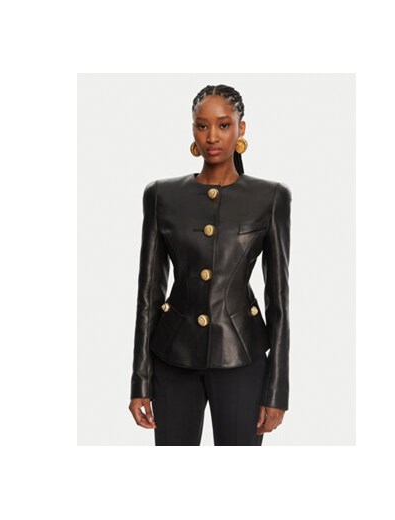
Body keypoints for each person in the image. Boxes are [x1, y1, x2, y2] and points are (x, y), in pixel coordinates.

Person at [128, 84, 292, 446]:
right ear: (192, 130)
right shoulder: (161, 196)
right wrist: (140, 381)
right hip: (172, 359)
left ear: (241, 128)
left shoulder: (270, 197)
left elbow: (278, 300)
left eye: (223, 125)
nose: (212, 136)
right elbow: (148, 294)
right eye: (202, 126)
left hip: (242, 358)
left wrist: (277, 390)